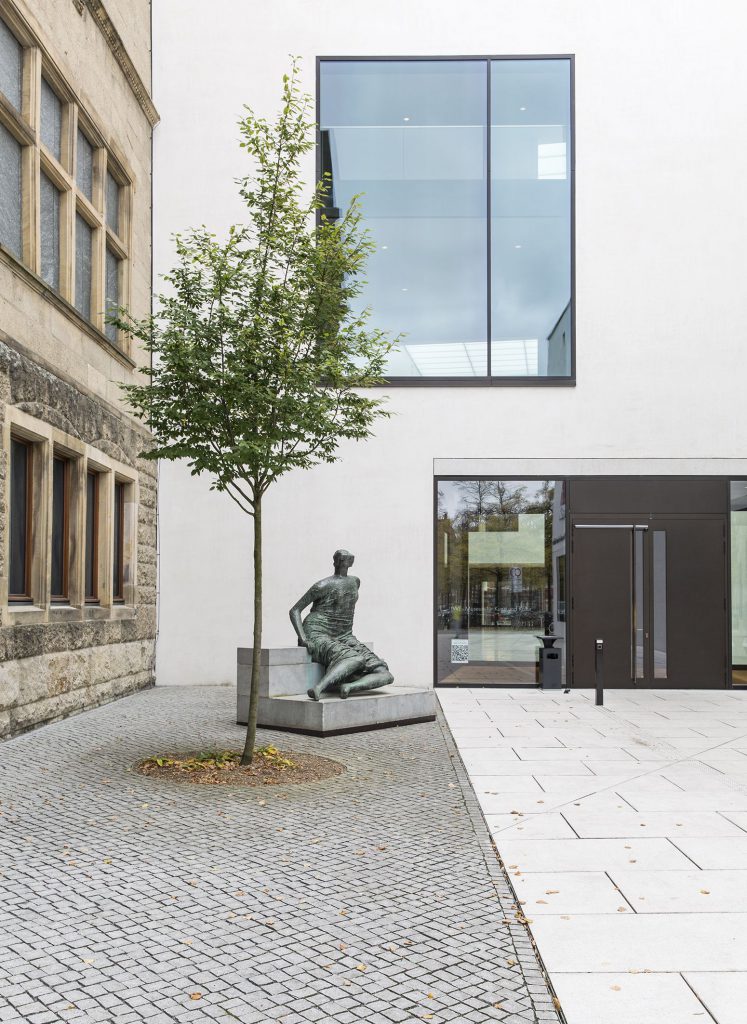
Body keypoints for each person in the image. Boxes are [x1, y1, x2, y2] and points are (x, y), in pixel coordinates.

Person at [289, 549, 394, 700]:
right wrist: (303, 638)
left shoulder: (355, 582)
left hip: (344, 635)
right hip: (317, 632)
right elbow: (295, 610)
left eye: (345, 560)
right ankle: (319, 688)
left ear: (350, 562)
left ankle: (349, 687)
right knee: (356, 659)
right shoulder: (322, 585)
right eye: (340, 559)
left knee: (385, 674)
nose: (342, 563)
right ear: (335, 562)